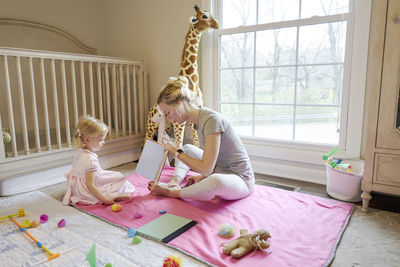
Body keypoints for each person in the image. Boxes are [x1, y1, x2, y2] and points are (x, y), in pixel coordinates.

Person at [148, 76, 255, 201]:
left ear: (179, 103)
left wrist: (175, 151)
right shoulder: (198, 120)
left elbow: (206, 168)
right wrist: (202, 178)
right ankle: (173, 183)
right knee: (187, 149)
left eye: (168, 113)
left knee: (215, 181)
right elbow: (213, 161)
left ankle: (173, 192)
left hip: (240, 179)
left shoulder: (210, 120)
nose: (169, 118)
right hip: (220, 170)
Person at [63, 115, 135, 205]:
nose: (103, 142)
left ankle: (111, 193)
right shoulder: (90, 159)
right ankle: (110, 195)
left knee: (112, 176)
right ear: (87, 140)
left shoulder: (80, 151)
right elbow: (90, 186)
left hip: (76, 188)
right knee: (119, 177)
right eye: (100, 140)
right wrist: (105, 201)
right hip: (85, 191)